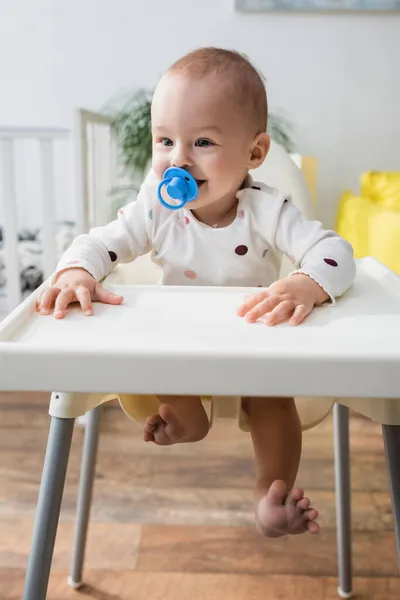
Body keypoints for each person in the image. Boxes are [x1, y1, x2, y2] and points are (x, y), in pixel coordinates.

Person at [37, 47, 356, 538]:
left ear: (254, 153)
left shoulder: (269, 211)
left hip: (253, 341)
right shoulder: (156, 208)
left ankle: (269, 497)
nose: (177, 161)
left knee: (273, 403)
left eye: (202, 141)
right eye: (165, 141)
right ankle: (187, 418)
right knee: (151, 345)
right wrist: (79, 271)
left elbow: (334, 251)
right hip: (179, 342)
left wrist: (305, 281)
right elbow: (99, 243)